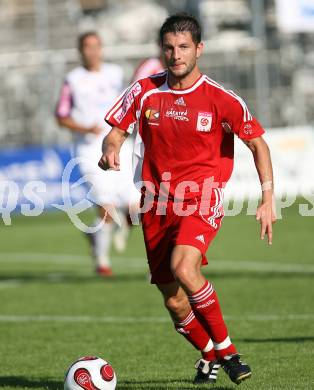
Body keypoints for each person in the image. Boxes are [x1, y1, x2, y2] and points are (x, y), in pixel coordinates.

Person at [99, 14, 276, 385]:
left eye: (183, 47)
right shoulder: (145, 89)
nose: (175, 55)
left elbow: (257, 142)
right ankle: (208, 354)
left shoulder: (221, 99)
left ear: (199, 49)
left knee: (185, 267)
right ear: (161, 50)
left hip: (201, 197)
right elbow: (116, 132)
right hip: (155, 205)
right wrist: (110, 149)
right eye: (168, 47)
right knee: (174, 301)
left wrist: (267, 196)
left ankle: (228, 353)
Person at [55, 31, 140, 277]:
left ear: (101, 49)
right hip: (89, 149)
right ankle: (102, 263)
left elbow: (129, 103)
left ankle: (94, 234)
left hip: (118, 144)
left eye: (96, 46)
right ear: (80, 51)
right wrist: (85, 128)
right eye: (87, 47)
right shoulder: (72, 80)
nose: (92, 51)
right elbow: (61, 116)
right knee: (107, 208)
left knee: (137, 209)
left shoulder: (115, 73)